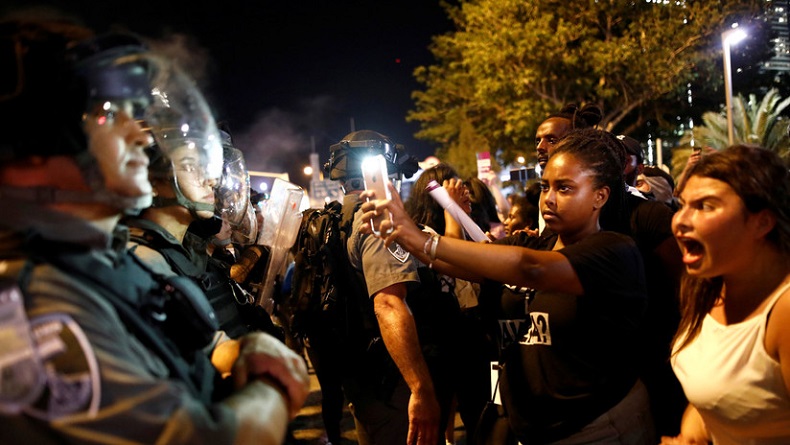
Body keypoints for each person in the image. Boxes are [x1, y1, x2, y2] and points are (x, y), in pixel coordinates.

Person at [0, 18, 308, 444]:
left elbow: (196, 344)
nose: (137, 136)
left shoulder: (102, 263)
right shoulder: (32, 312)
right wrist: (273, 389)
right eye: (105, 115)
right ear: (27, 148)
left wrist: (246, 349)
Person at [362, 128, 655, 444]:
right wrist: (401, 229)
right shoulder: (535, 244)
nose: (550, 198)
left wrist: (420, 238)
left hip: (598, 428)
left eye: (565, 188)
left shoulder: (614, 250)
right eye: (545, 187)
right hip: (529, 427)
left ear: (601, 195)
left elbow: (529, 270)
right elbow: (456, 262)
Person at [661, 145, 790, 445]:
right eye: (682, 204)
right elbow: (724, 394)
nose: (679, 221)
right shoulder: (707, 285)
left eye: (705, 206)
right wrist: (693, 431)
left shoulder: (783, 311)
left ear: (762, 221)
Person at [324, 130, 444, 445]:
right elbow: (389, 304)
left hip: (364, 375)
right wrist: (421, 389)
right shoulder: (376, 217)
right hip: (393, 382)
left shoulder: (337, 218)